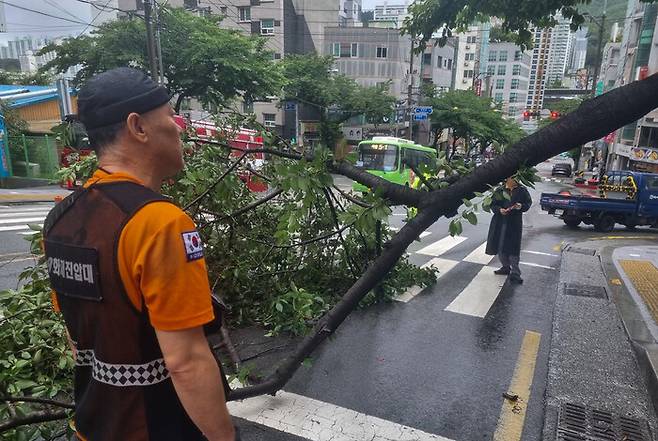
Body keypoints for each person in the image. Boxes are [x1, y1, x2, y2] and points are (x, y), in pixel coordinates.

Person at [43, 67, 236, 441]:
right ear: (139, 127)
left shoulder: (60, 218)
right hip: (156, 428)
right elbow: (186, 362)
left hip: (93, 426)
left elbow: (76, 336)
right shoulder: (160, 223)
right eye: (169, 117)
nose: (179, 128)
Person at [485, 177, 532, 284]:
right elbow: (492, 204)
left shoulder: (522, 190)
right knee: (500, 245)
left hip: (514, 223)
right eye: (512, 179)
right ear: (507, 180)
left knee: (513, 247)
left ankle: (516, 273)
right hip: (500, 221)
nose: (515, 181)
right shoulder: (500, 190)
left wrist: (521, 206)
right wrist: (499, 210)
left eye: (516, 179)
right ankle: (505, 267)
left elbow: (528, 203)